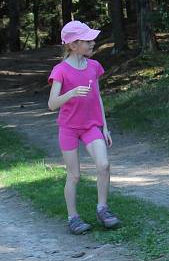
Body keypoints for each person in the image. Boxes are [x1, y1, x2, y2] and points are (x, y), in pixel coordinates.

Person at [48, 21, 121, 235]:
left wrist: (104, 127)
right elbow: (52, 104)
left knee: (104, 164)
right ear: (73, 45)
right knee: (75, 176)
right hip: (69, 128)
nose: (93, 43)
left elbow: (97, 97)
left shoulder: (93, 66)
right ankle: (73, 218)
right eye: (87, 41)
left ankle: (102, 209)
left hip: (91, 126)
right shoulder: (60, 70)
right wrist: (71, 93)